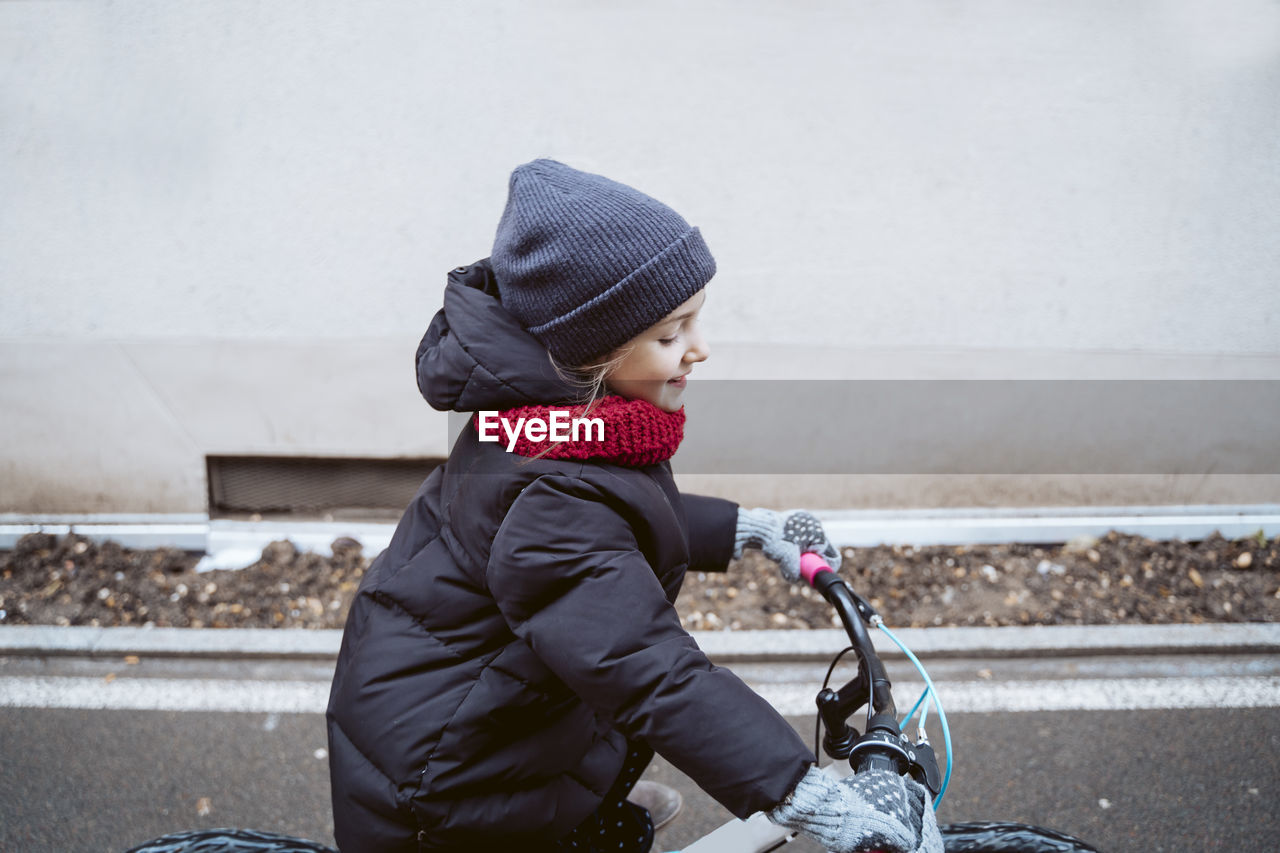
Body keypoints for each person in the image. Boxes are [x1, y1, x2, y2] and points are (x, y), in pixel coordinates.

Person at [325, 159, 941, 853]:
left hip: (475, 714)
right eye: (671, 333)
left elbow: (619, 511)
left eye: (696, 322)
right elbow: (643, 664)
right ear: (595, 351)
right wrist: (800, 788)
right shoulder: (547, 489)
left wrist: (748, 530)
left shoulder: (554, 426)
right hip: (453, 783)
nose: (700, 350)